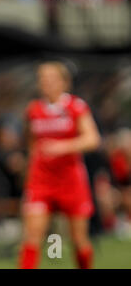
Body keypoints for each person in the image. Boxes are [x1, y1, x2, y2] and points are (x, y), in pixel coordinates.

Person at [18, 61, 101, 269]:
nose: (46, 82)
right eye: (42, 78)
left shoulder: (75, 106)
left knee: (78, 240)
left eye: (51, 78)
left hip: (70, 179)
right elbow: (31, 145)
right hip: (41, 181)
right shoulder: (33, 109)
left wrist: (62, 147)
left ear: (64, 82)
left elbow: (92, 139)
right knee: (32, 237)